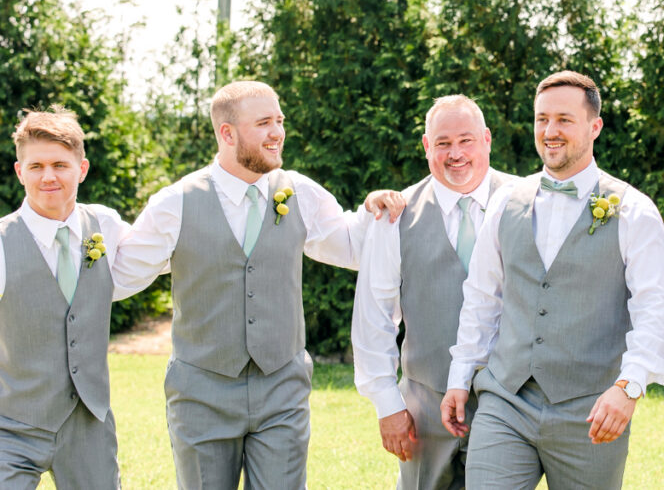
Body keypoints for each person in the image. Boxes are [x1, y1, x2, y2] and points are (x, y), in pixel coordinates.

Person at [112, 80, 401, 490]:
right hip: (201, 395)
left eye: (279, 121)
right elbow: (120, 274)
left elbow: (354, 246)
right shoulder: (175, 202)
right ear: (227, 133)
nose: (277, 133)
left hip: (281, 391)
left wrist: (375, 211)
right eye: (264, 123)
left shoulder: (299, 191)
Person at [440, 70, 664, 490]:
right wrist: (460, 377)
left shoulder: (635, 211)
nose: (550, 131)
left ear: (594, 126)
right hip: (505, 400)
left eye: (564, 119)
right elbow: (482, 300)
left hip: (591, 411)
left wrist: (630, 385)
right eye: (541, 119)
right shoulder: (504, 203)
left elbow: (653, 310)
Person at [353, 94, 513, 489]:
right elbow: (375, 315)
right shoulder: (395, 216)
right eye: (443, 143)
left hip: (509, 404)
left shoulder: (526, 202)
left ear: (487, 139)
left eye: (466, 140)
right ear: (427, 147)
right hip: (424, 407)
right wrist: (388, 405)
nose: (455, 153)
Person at [0, 106, 136, 488]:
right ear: (19, 171)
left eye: (60, 165)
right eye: (36, 166)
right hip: (12, 425)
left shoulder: (105, 225)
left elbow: (154, 258)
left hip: (89, 424)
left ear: (82, 168)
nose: (48, 177)